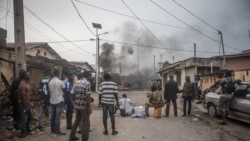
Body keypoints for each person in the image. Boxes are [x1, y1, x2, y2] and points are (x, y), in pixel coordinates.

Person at [69, 71, 92, 141]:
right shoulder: (87, 83)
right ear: (87, 76)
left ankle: (71, 136)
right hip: (84, 106)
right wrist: (89, 107)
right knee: (85, 123)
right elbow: (88, 96)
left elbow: (72, 94)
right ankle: (84, 139)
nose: (90, 78)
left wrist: (76, 101)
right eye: (90, 76)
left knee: (77, 121)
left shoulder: (76, 83)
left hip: (77, 106)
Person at [48, 68, 66, 137]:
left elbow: (49, 92)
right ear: (58, 74)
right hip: (59, 101)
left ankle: (52, 130)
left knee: (53, 116)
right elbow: (64, 90)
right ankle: (57, 130)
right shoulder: (60, 82)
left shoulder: (50, 82)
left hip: (52, 101)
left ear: (53, 74)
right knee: (57, 117)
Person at [18, 72, 33, 138]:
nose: (29, 76)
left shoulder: (27, 83)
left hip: (27, 103)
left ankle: (27, 129)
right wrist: (25, 106)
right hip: (23, 104)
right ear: (25, 76)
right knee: (24, 118)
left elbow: (27, 94)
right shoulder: (23, 84)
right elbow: (23, 96)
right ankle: (23, 132)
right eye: (28, 75)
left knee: (30, 116)